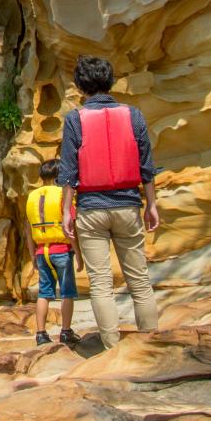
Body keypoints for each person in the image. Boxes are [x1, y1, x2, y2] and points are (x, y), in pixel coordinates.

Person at [57, 56, 160, 350]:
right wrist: (151, 204)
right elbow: (146, 166)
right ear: (109, 80)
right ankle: (151, 344)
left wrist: (66, 211)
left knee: (101, 284)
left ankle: (113, 350)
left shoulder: (75, 119)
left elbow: (68, 171)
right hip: (128, 206)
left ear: (80, 86)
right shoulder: (133, 115)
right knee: (139, 280)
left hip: (91, 209)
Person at [25, 160, 81, 346]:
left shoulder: (32, 196)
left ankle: (41, 334)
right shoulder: (62, 194)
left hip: (42, 251)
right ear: (59, 177)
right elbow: (69, 227)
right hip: (62, 250)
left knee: (44, 293)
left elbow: (27, 228)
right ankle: (66, 331)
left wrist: (32, 254)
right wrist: (79, 254)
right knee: (67, 293)